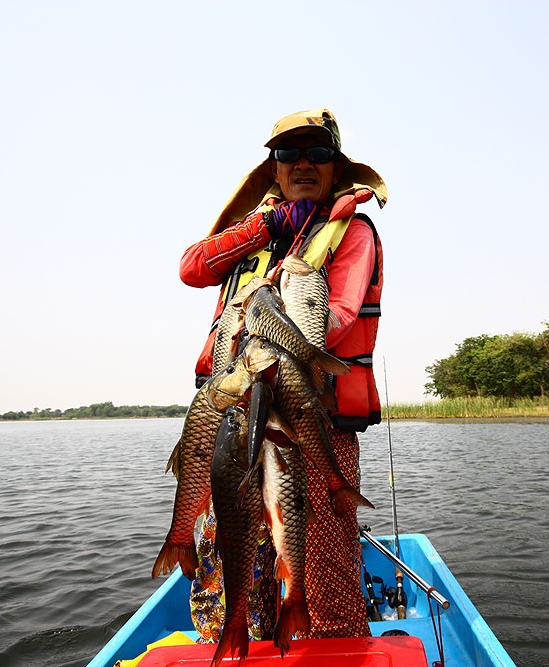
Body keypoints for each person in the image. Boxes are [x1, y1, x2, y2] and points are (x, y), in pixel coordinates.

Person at [178, 108, 387, 642]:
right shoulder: (256, 227)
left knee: (321, 563)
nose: (303, 164)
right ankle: (236, 642)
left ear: (335, 169)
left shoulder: (352, 231)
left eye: (318, 154)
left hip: (313, 421)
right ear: (273, 168)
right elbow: (191, 269)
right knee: (230, 558)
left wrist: (271, 324)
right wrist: (259, 229)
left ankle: (339, 646)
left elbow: (337, 320)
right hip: (234, 415)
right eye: (289, 154)